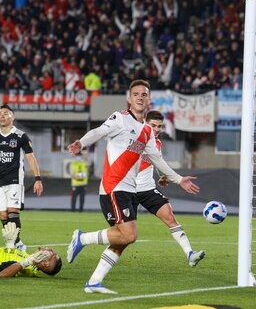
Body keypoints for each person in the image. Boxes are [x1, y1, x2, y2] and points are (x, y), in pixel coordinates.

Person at [66, 79, 200, 294]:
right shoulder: (120, 118)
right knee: (128, 235)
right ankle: (82, 238)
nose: (139, 97)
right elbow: (99, 132)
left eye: (144, 94)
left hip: (129, 190)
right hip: (114, 187)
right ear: (129, 99)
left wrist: (178, 178)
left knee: (123, 239)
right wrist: (81, 143)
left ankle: (94, 282)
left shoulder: (146, 132)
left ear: (148, 100)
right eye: (136, 94)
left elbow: (157, 159)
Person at [136, 110, 204, 267]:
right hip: (127, 190)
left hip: (146, 189)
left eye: (160, 126)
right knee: (123, 235)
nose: (157, 129)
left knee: (170, 217)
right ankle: (83, 239)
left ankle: (190, 254)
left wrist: (164, 176)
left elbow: (157, 162)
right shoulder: (134, 139)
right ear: (144, 123)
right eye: (153, 125)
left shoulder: (157, 143)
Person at [0, 104, 44, 252]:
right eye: (0, 114)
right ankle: (17, 243)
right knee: (3, 214)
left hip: (15, 180)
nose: (2, 116)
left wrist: (38, 179)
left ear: (13, 117)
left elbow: (31, 158)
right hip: (0, 181)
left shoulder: (20, 136)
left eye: (6, 113)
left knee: (12, 211)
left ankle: (11, 245)